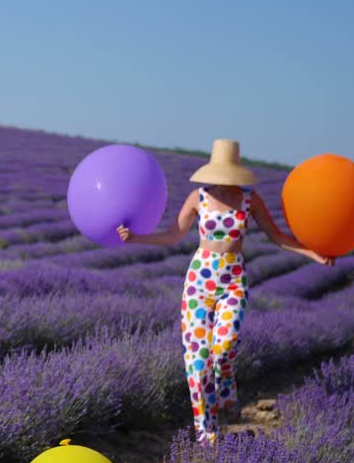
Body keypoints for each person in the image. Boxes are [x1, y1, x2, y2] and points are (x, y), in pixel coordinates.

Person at [116, 139, 334, 446]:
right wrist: (136, 238)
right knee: (198, 359)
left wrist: (313, 253)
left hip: (233, 279)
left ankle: (226, 378)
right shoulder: (198, 197)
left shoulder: (250, 199)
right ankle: (207, 433)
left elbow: (277, 236)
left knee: (226, 343)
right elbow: (173, 235)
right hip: (199, 282)